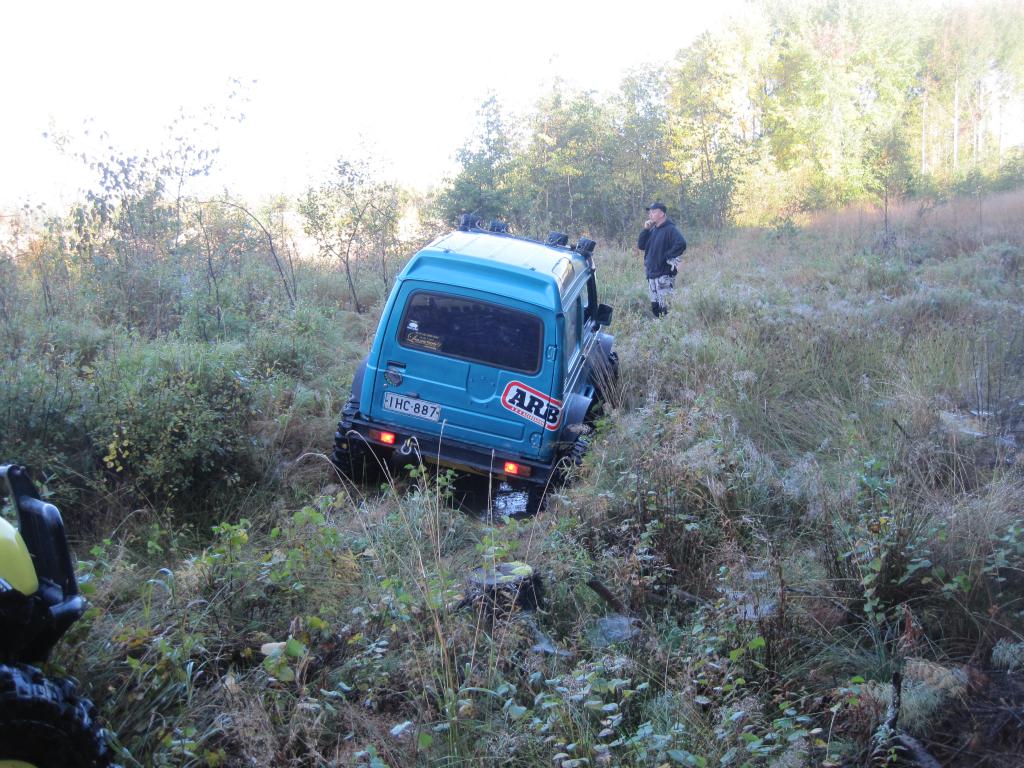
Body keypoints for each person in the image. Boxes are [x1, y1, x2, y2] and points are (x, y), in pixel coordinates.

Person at [637, 202, 686, 318]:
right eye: (650, 212)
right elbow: (641, 246)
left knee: (666, 307)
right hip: (651, 275)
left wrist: (666, 256)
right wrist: (645, 230)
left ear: (662, 214)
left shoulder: (670, 229)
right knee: (655, 307)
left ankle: (671, 327)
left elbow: (681, 244)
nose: (650, 215)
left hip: (664, 276)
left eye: (653, 212)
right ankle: (660, 327)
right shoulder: (653, 230)